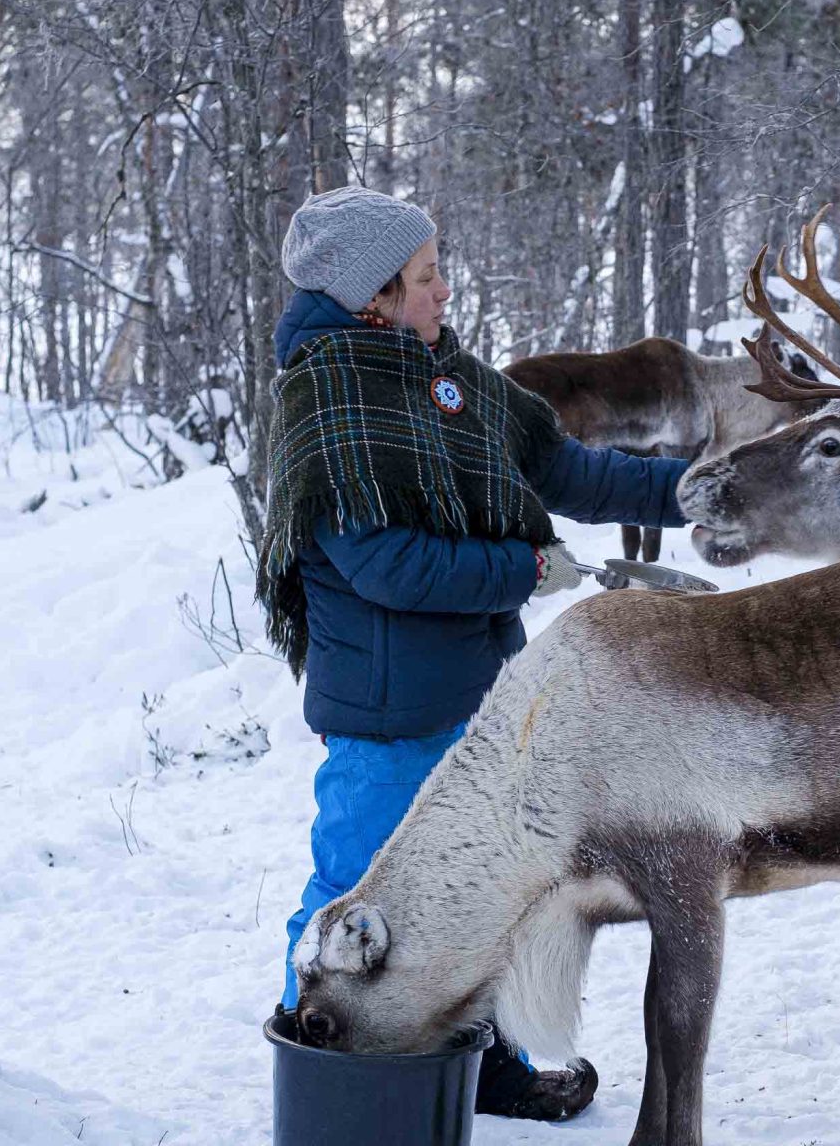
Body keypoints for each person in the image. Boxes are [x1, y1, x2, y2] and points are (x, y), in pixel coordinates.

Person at [255, 185, 688, 1121]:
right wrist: (524, 566)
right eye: (425, 276)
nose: (445, 291)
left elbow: (570, 469)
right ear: (373, 295)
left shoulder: (442, 378)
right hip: (386, 720)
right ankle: (321, 1073)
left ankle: (484, 1064)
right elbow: (387, 566)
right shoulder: (326, 404)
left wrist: (710, 491)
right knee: (351, 896)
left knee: (484, 892)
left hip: (481, 705)